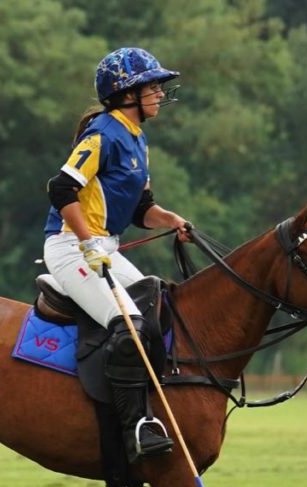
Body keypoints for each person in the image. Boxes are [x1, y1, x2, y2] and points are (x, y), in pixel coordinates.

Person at [43, 47, 191, 461]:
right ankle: (135, 428)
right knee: (129, 324)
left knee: (158, 306)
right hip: (71, 246)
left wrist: (171, 220)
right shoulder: (102, 135)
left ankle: (157, 405)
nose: (160, 93)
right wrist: (87, 241)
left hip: (103, 247)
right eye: (152, 87)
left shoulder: (137, 139)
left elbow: (143, 210)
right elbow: (61, 188)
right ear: (127, 94)